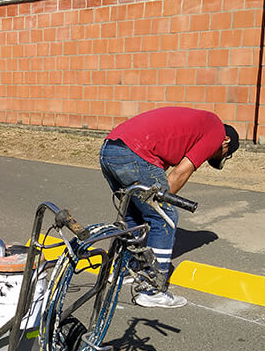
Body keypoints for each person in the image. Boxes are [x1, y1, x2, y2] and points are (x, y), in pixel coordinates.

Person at [99, 107, 239, 308]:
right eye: (226, 152)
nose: (220, 154)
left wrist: (149, 205)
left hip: (109, 149)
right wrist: (158, 207)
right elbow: (180, 173)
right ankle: (151, 290)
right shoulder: (216, 131)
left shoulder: (198, 124)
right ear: (226, 141)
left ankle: (124, 269)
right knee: (165, 216)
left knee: (133, 212)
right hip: (135, 152)